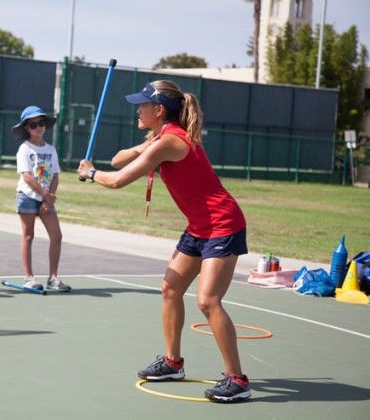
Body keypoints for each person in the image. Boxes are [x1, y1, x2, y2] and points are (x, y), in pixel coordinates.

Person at [77, 80, 251, 403]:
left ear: (158, 110)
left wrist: (89, 174)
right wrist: (142, 146)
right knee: (170, 288)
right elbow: (118, 160)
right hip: (199, 226)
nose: (137, 109)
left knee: (208, 301)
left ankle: (237, 379)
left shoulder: (171, 142)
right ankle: (172, 362)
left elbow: (115, 180)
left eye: (142, 105)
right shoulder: (160, 138)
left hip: (222, 224)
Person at [11, 106, 69, 291]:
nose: (38, 127)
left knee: (56, 235)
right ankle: (29, 278)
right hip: (27, 196)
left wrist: (48, 200)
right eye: (33, 124)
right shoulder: (24, 149)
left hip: (46, 199)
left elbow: (55, 175)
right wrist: (46, 195)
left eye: (41, 123)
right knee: (28, 236)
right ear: (27, 128)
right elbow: (27, 176)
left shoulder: (51, 149)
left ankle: (53, 278)